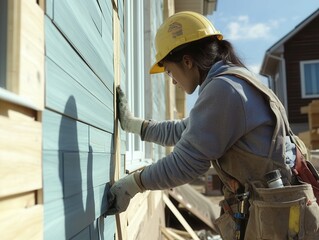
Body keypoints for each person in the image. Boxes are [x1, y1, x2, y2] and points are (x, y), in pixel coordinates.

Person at [106, 11, 319, 239]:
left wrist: (134, 183)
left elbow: (186, 163)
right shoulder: (233, 82)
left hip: (280, 221)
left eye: (169, 71)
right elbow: (186, 131)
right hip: (282, 214)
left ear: (187, 61)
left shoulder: (224, 90)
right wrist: (135, 126)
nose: (172, 80)